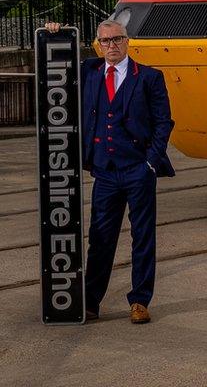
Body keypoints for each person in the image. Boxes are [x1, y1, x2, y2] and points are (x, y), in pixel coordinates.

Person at [45, 20, 175, 324]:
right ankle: (91, 302)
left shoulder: (149, 77)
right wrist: (55, 32)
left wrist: (151, 163)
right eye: (105, 41)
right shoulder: (89, 71)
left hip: (137, 169)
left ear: (127, 41)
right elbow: (57, 59)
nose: (111, 46)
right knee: (100, 238)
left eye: (116, 39)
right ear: (98, 44)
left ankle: (140, 300)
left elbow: (163, 123)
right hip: (105, 170)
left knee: (142, 237)